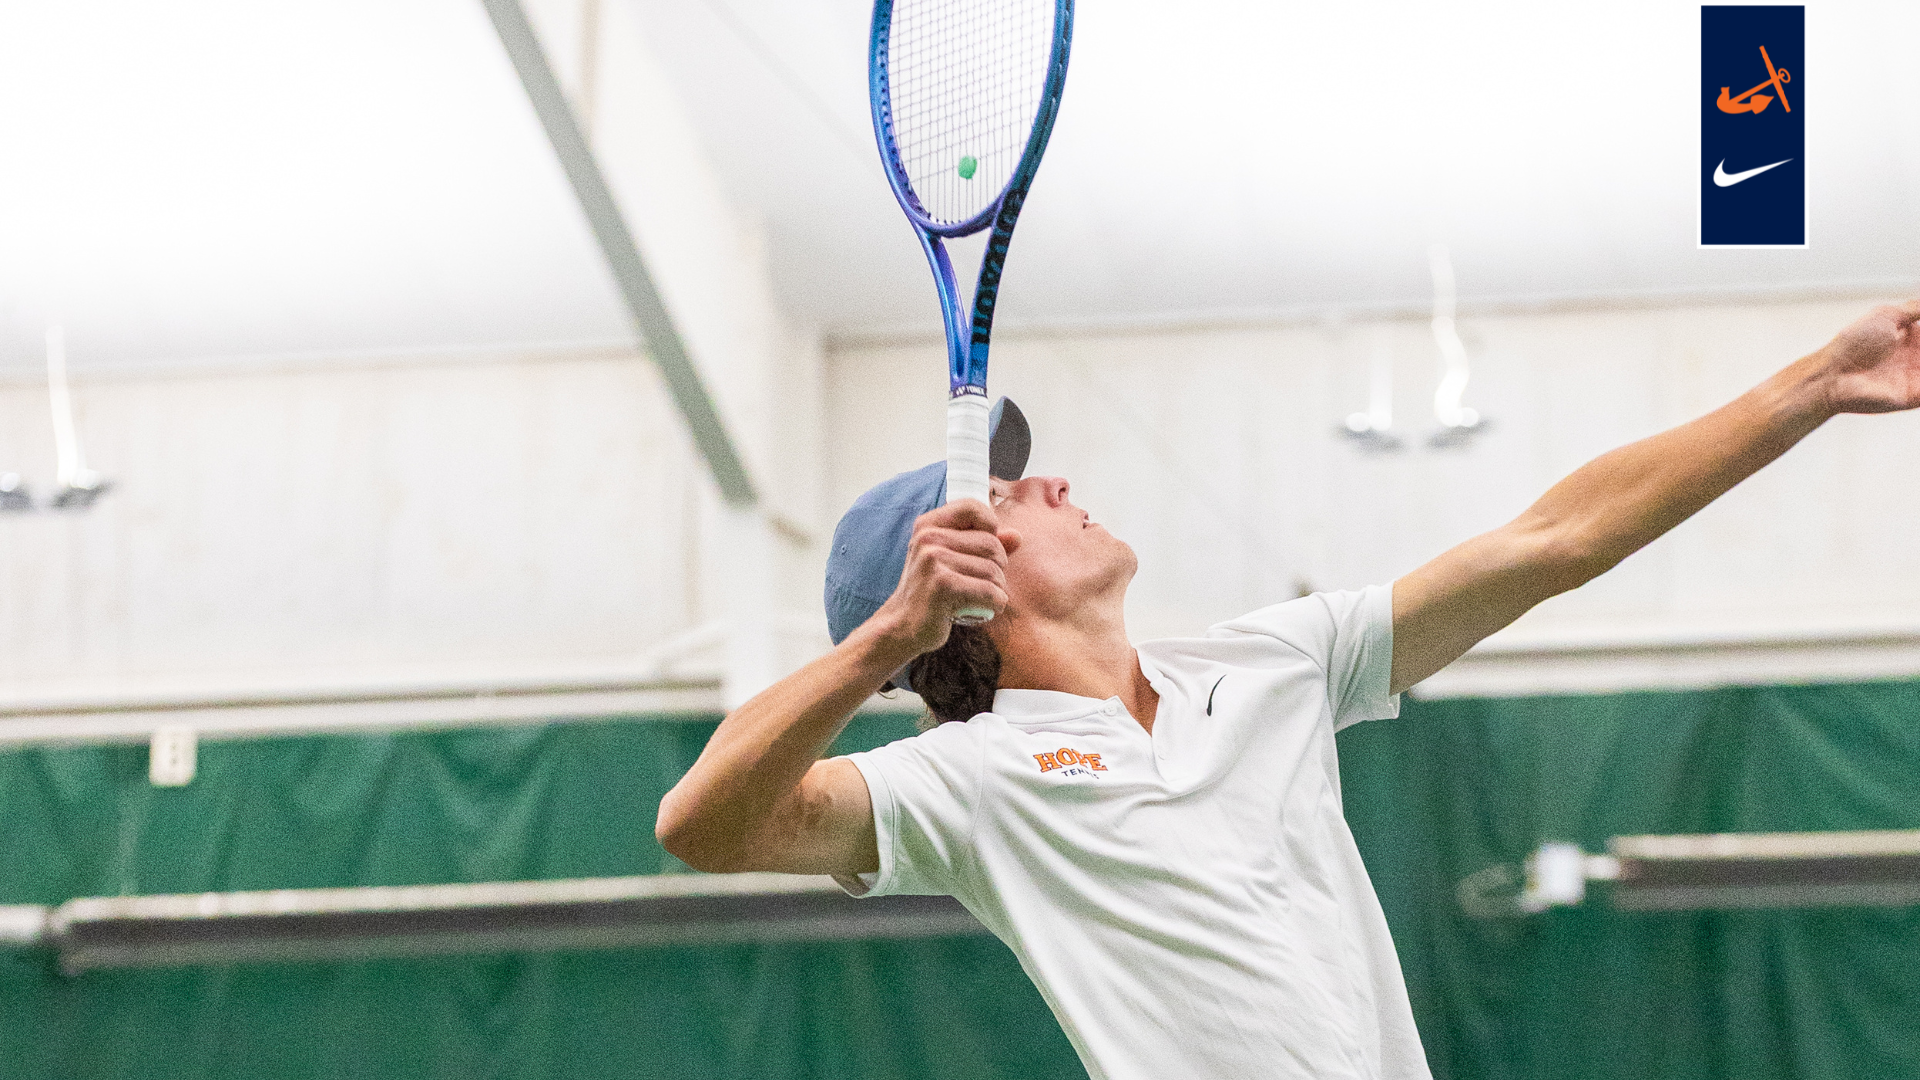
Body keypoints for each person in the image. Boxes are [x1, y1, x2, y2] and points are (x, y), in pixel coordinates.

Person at [656, 302, 1920, 1080]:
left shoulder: (1272, 665)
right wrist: (886, 637)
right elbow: (704, 825)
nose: (1052, 484)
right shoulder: (961, 780)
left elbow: (1554, 541)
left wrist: (1817, 382)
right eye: (1006, 493)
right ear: (959, 578)